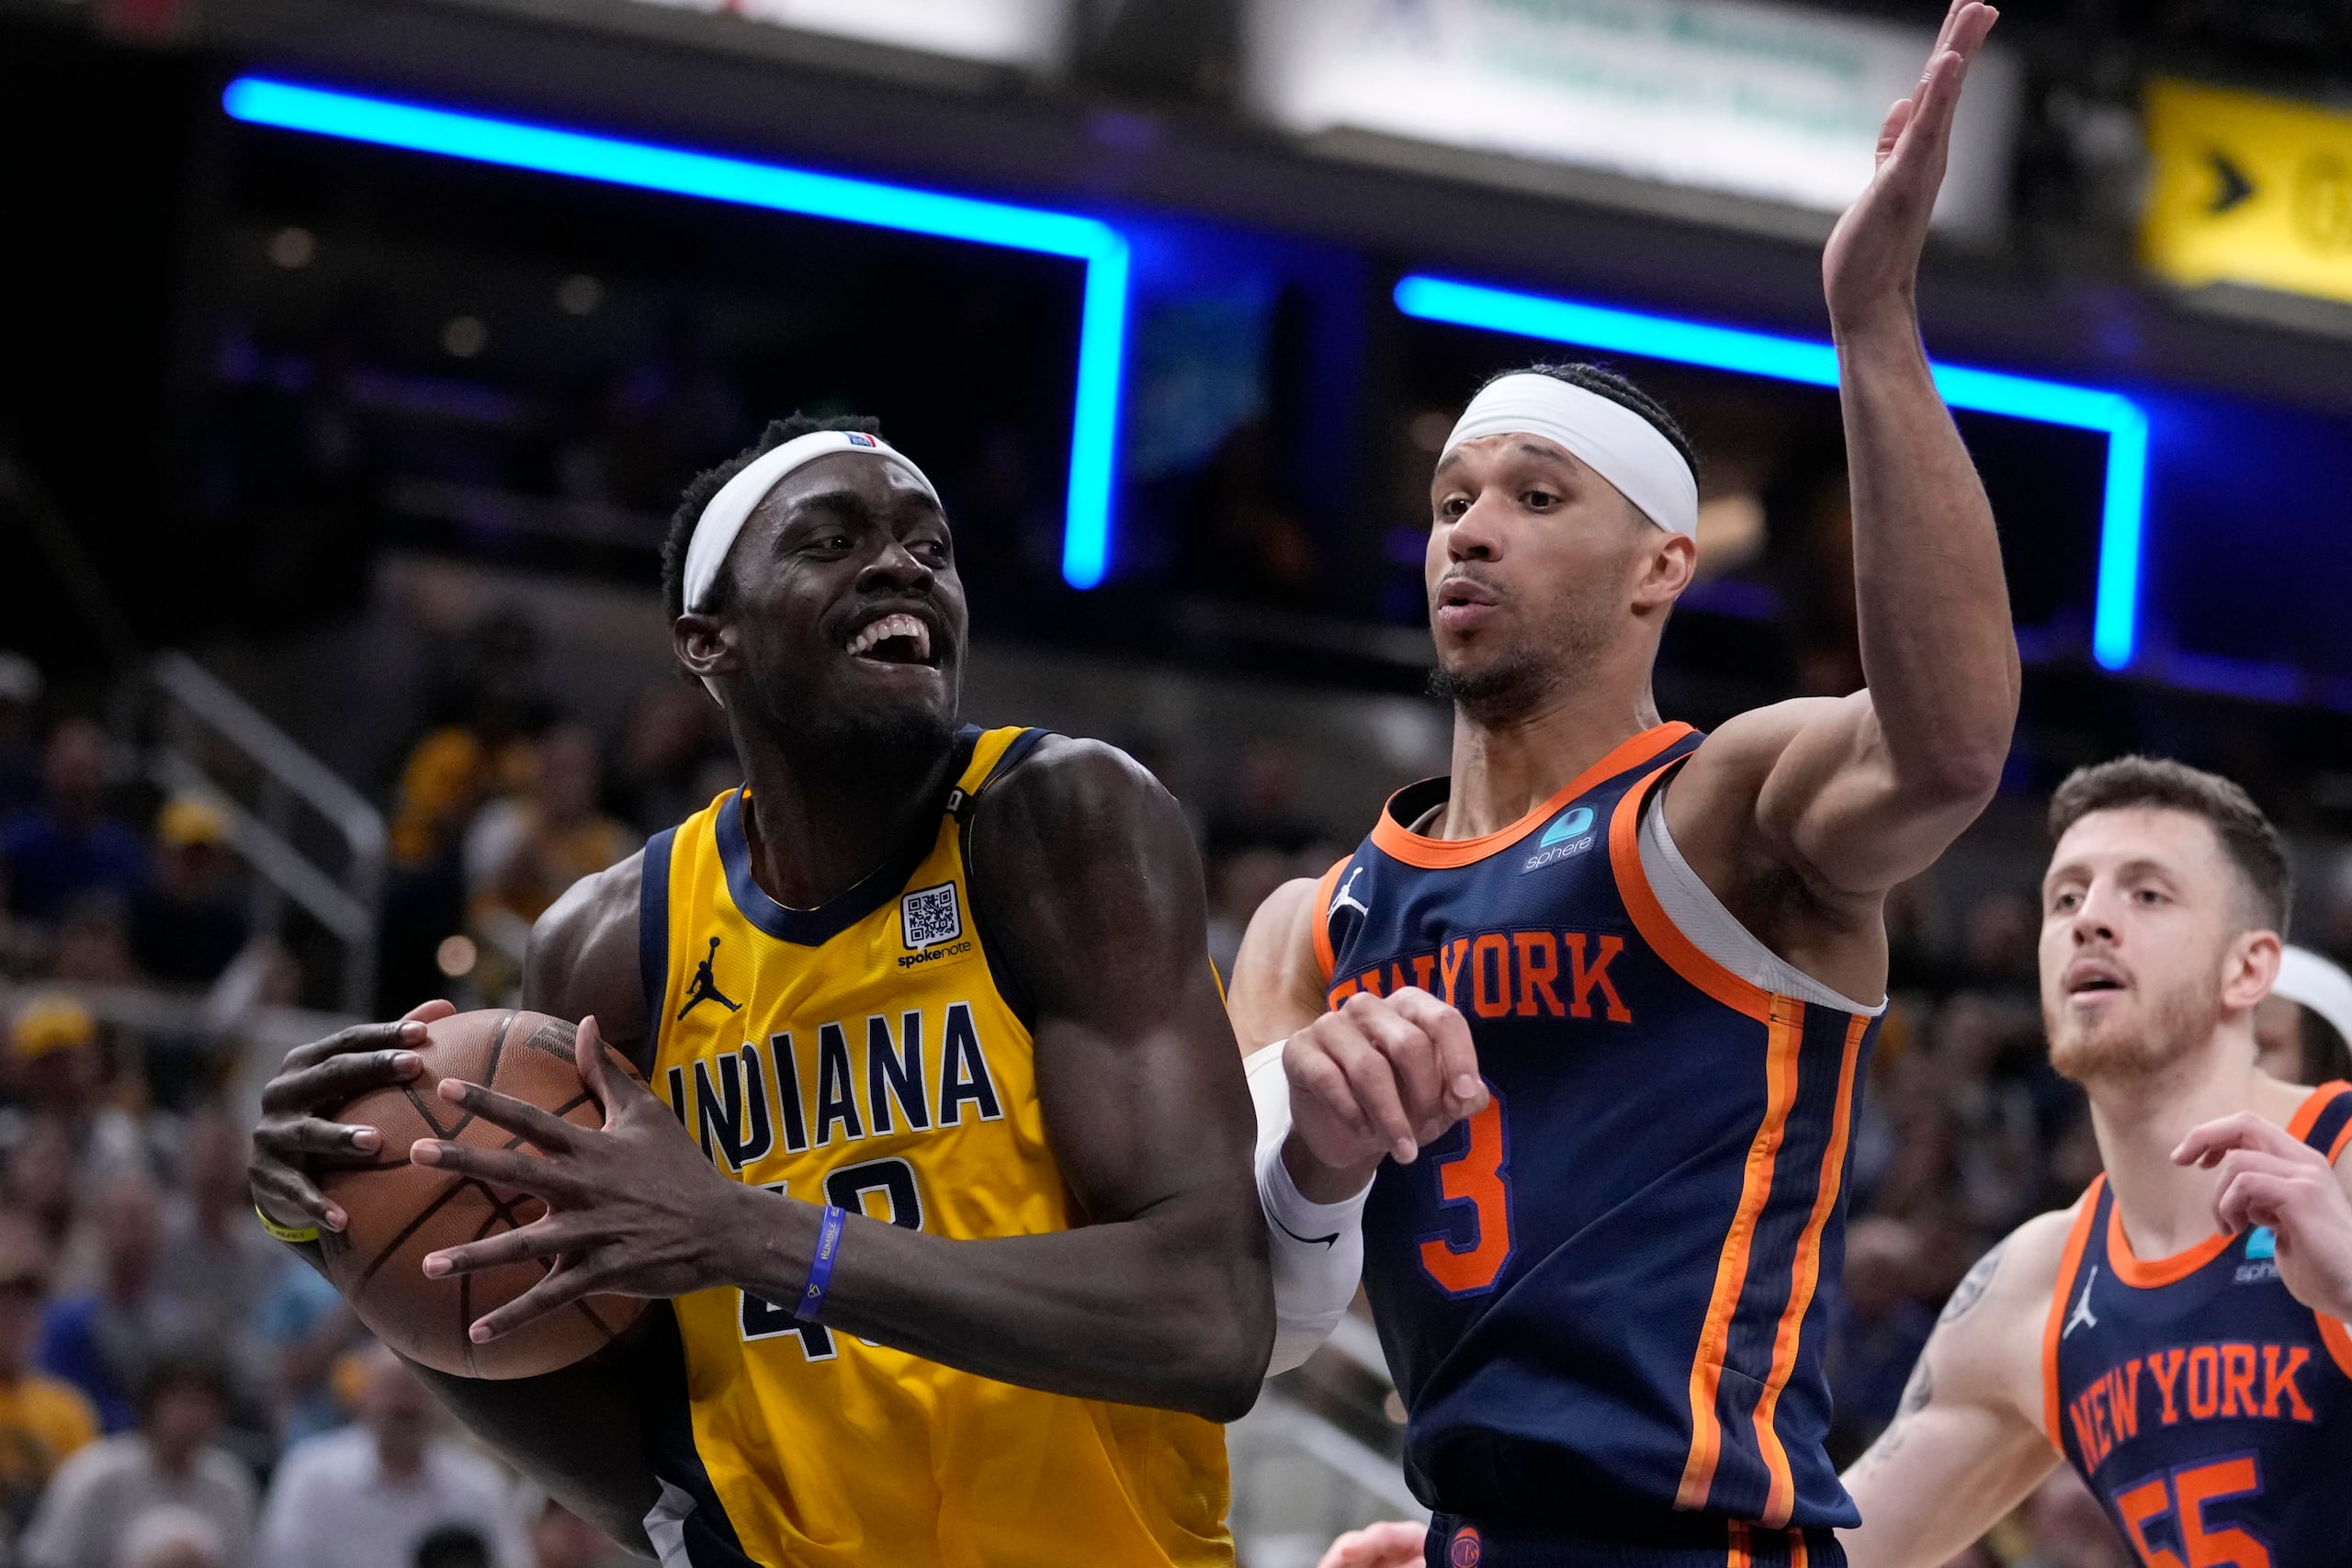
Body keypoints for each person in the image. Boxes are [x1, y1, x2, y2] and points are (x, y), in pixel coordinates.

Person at [1234, 4, 2017, 1563]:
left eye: (1537, 496)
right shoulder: (1311, 928)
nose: (1471, 528)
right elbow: (1239, 1322)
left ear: (1664, 564)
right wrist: (1311, 1169)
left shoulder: (1717, 815)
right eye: (1451, 498)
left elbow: (1946, 750)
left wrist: (1873, 320)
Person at [249, 415, 1272, 1565]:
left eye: (930, 548)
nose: (900, 566)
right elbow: (619, 1429)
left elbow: (1208, 1321)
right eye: (832, 541)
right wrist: (341, 1219)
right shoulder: (612, 945)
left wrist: (751, 1233)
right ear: (708, 640)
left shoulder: (1054, 821)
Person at [1836, 758, 2352, 1567]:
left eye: (2147, 894)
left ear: (2248, 967)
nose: (2091, 921)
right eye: (2067, 897)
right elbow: (1837, 1550)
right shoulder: (2032, 1288)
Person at [258, 1346, 526, 1568]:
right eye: (392, 1389)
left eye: (417, 1391)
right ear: (362, 1396)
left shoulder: (478, 1483)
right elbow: (283, 1559)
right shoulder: (313, 1474)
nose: (406, 1404)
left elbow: (510, 1560)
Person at [17, 1358, 255, 1568]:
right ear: (152, 1404)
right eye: (181, 1400)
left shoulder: (230, 1483)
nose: (191, 1416)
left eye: (202, 1403)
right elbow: (45, 1559)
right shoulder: (96, 1474)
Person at [0, 1220, 99, 1539]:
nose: (13, 1319)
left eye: (24, 1307)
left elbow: (83, 1509)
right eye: (4, 1307)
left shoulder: (66, 1407)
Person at [0, 719, 145, 925]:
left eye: (85, 770)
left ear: (102, 774)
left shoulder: (122, 851)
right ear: (49, 767)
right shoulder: (15, 840)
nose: (77, 784)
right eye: (70, 770)